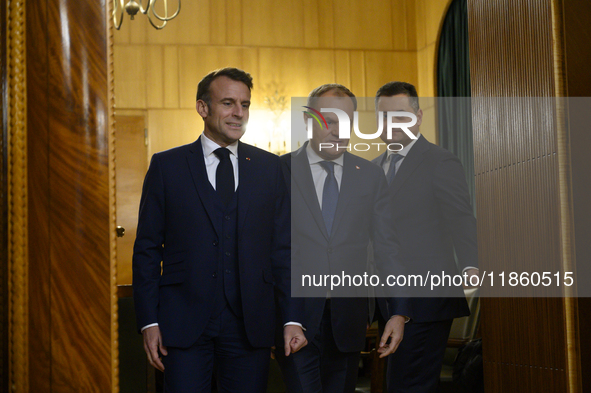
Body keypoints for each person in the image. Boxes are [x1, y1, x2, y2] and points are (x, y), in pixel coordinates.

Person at [132, 67, 306, 393]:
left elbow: (284, 250)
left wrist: (291, 317)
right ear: (203, 108)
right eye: (228, 103)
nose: (238, 113)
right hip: (183, 324)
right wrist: (149, 321)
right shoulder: (167, 166)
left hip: (250, 325)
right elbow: (146, 249)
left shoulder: (270, 168)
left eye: (245, 104)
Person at [276, 84, 410, 393]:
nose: (339, 130)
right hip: (294, 317)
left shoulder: (370, 175)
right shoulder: (279, 171)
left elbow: (387, 246)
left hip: (348, 320)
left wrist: (399, 311)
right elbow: (273, 249)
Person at [372, 81, 479, 393]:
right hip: (390, 297)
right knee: (399, 384)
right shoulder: (375, 167)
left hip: (428, 297)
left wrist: (470, 264)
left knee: (411, 385)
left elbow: (461, 216)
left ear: (417, 117)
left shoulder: (438, 160)